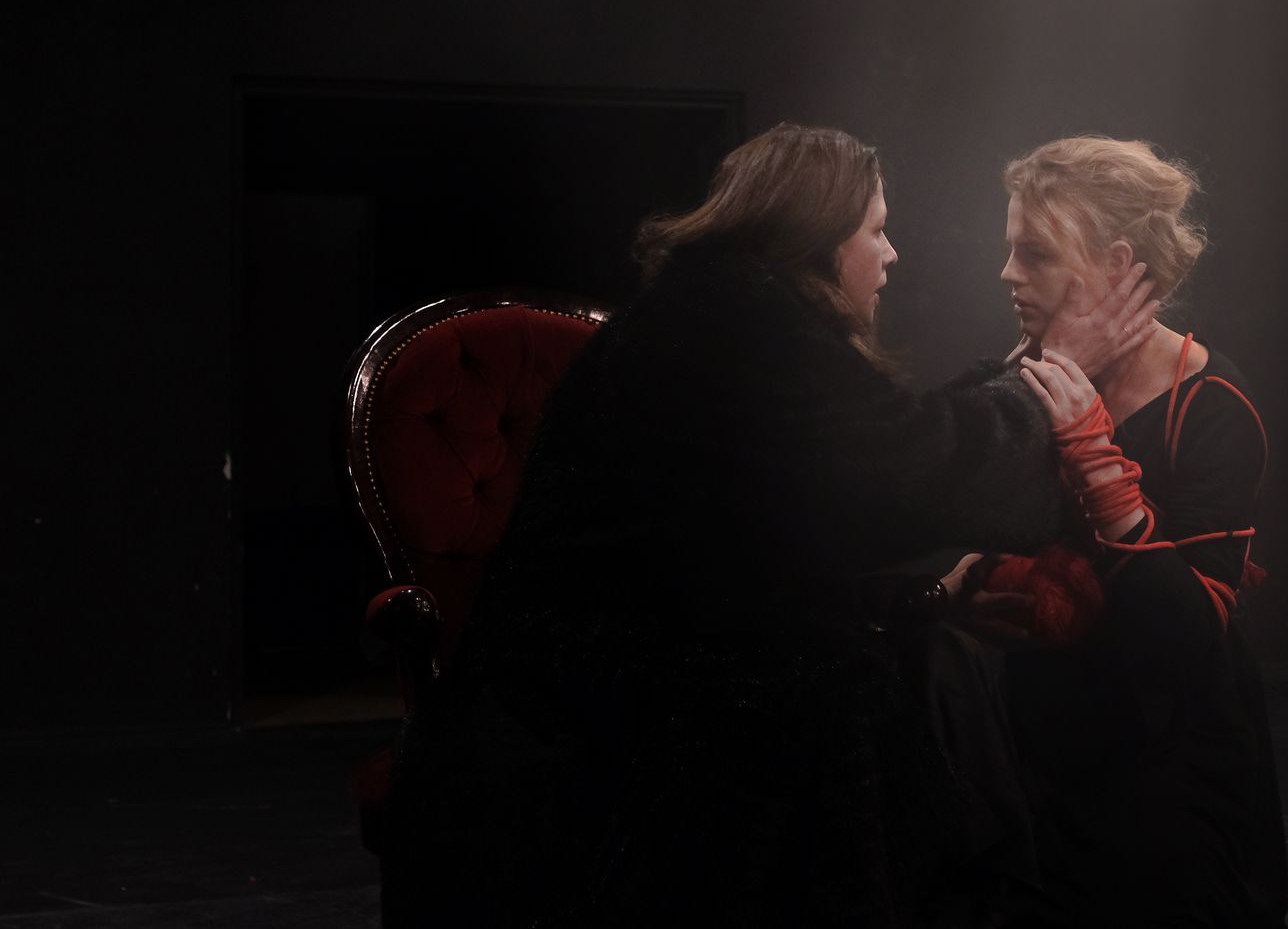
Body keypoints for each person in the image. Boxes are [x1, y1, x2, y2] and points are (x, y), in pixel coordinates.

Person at [379, 123, 1157, 928]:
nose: (890, 255)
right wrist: (1056, 371)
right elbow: (901, 474)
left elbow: (803, 504)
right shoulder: (747, 330)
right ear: (820, 238)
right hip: (595, 742)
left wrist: (1017, 387)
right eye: (876, 231)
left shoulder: (720, 308)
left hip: (608, 689)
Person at [994, 136, 1288, 927]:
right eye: (1011, 248)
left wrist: (1093, 453)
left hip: (1169, 773)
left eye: (1035, 252)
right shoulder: (1027, 372)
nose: (1008, 273)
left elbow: (1184, 631)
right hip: (1047, 757)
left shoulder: (1213, 404)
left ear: (1116, 261)